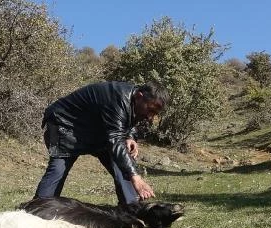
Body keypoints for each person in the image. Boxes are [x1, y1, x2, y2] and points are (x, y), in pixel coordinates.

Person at [34, 81, 170, 205]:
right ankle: (37, 212)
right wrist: (136, 178)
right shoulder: (117, 98)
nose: (150, 117)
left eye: (155, 113)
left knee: (122, 163)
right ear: (139, 96)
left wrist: (130, 136)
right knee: (58, 169)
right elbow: (115, 139)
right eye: (150, 110)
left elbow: (125, 121)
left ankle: (132, 209)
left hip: (96, 130)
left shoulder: (135, 101)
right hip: (65, 125)